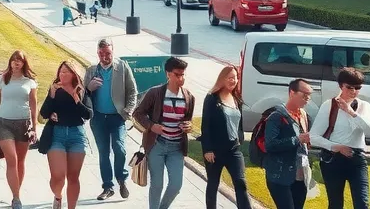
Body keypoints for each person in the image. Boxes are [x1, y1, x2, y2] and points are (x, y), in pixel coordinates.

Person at [310, 67, 370, 209]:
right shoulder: (329, 105)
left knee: (362, 204)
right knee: (335, 204)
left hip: (357, 158)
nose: (354, 91)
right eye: (349, 87)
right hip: (333, 159)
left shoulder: (364, 106)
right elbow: (313, 137)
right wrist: (336, 147)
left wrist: (351, 112)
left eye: (358, 87)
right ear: (341, 86)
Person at [133, 56, 194, 209]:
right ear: (168, 74)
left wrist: (188, 126)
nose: (181, 78)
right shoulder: (156, 93)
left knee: (176, 185)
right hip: (157, 145)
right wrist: (152, 126)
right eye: (177, 74)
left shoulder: (189, 97)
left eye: (183, 74)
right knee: (157, 184)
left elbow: (188, 120)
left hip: (176, 148)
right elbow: (138, 113)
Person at [85, 38, 138, 201]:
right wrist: (89, 88)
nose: (104, 56)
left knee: (120, 148)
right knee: (104, 153)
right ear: (97, 53)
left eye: (107, 53)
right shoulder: (92, 71)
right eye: (101, 53)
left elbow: (132, 91)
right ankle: (108, 186)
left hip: (117, 117)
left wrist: (128, 109)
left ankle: (121, 179)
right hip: (99, 118)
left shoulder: (122, 67)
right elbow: (82, 95)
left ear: (113, 52)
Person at [0, 49, 39, 209]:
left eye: (20, 60)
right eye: (14, 60)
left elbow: (33, 106)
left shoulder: (30, 82)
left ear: (24, 64)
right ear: (10, 62)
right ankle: (16, 198)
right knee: (12, 159)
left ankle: (16, 193)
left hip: (24, 124)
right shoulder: (2, 79)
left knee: (21, 161)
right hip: (4, 124)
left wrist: (34, 127)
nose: (16, 62)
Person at [41, 60, 93, 209]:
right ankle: (58, 196)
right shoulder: (55, 89)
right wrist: (51, 95)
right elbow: (43, 113)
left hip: (77, 134)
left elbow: (88, 114)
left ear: (73, 74)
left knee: (73, 177)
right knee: (58, 178)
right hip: (57, 134)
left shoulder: (81, 90)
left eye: (66, 71)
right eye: (61, 71)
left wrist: (76, 97)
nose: (62, 74)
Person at [200, 64, 251, 209]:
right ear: (222, 79)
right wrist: (207, 149)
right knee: (213, 184)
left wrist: (240, 137)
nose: (233, 81)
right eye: (230, 78)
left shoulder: (236, 98)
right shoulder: (212, 99)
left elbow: (239, 122)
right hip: (215, 151)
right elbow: (206, 125)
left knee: (241, 183)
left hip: (234, 150)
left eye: (235, 78)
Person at [263, 78, 314, 209]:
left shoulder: (304, 115)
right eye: (304, 95)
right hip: (280, 175)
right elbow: (271, 145)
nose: (307, 99)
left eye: (309, 95)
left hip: (300, 175)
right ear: (292, 93)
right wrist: (298, 139)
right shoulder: (277, 116)